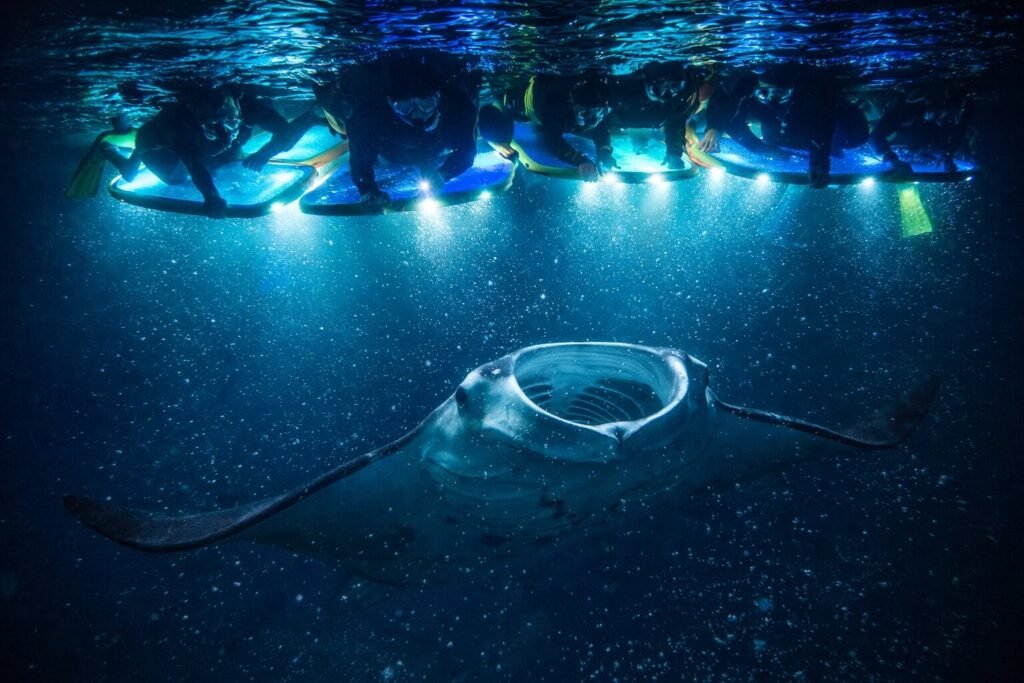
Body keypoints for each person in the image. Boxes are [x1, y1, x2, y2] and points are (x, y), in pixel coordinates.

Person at [102, 85, 312, 217]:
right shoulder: (181, 127)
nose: (223, 126)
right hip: (157, 143)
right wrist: (211, 195)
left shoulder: (249, 106)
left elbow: (284, 131)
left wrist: (264, 154)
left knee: (242, 152)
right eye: (213, 120)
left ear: (237, 98)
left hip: (206, 143)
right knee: (146, 177)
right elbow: (194, 164)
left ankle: (312, 115)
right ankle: (109, 149)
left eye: (227, 116)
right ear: (195, 112)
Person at [337, 55, 478, 213]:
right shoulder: (370, 114)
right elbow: (360, 159)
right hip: (391, 146)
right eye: (404, 106)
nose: (416, 114)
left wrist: (444, 173)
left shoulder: (457, 108)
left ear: (438, 98)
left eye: (425, 103)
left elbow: (467, 152)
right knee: (342, 121)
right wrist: (367, 188)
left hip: (428, 143)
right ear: (390, 103)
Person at [706, 65, 868, 188]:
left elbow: (822, 122)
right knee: (774, 137)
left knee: (855, 138)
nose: (772, 99)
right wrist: (715, 128)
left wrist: (818, 163)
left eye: (780, 93)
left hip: (814, 116)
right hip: (780, 123)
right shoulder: (748, 87)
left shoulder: (811, 96)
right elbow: (730, 114)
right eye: (764, 93)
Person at [500, 73, 615, 181]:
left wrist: (604, 150)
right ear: (572, 106)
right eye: (585, 113)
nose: (594, 120)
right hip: (524, 101)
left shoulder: (603, 102)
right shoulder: (555, 107)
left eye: (600, 112)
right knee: (510, 105)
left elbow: (603, 125)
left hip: (562, 86)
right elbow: (552, 140)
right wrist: (580, 160)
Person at [609, 62, 713, 169]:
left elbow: (676, 120)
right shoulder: (622, 91)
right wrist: (603, 148)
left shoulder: (682, 94)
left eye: (675, 87)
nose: (667, 96)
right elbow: (602, 118)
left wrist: (674, 152)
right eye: (657, 89)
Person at [869, 85, 973, 178]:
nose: (946, 119)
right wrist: (892, 161)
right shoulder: (907, 112)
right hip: (884, 107)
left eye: (951, 117)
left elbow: (955, 135)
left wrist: (947, 158)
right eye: (944, 114)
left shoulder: (953, 119)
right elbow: (875, 137)